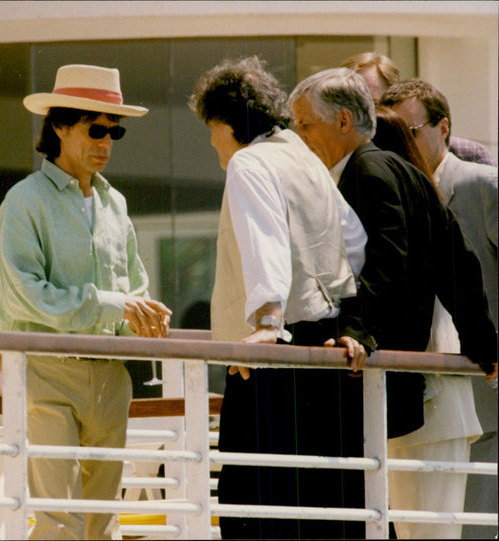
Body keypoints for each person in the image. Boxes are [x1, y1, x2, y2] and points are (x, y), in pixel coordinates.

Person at [188, 56, 374, 539]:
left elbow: (262, 239)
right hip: (325, 347)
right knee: (320, 501)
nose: (212, 144)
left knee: (256, 497)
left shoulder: (250, 162)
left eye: (211, 131)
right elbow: (355, 242)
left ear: (226, 123)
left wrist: (268, 321)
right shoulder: (305, 156)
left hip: (274, 357)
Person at [0, 64, 172, 540]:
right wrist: (117, 306)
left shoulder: (117, 205)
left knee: (102, 523)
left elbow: (134, 287)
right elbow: (25, 294)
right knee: (59, 521)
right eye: (96, 129)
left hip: (112, 376)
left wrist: (144, 316)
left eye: (115, 132)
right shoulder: (24, 201)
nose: (106, 143)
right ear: (59, 126)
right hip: (48, 372)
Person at [288, 70, 497, 455]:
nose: (299, 137)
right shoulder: (403, 170)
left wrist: (358, 330)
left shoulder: (366, 171)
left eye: (305, 124)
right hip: (390, 377)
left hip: (370, 375)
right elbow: (456, 258)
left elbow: (388, 256)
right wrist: (482, 340)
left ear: (344, 121)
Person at [378, 81, 498, 539]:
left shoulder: (480, 185)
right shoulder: (398, 193)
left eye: (408, 130)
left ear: (442, 128)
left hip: (486, 399)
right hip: (436, 403)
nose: (399, 145)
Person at [340, 51, 497, 167]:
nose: (364, 115)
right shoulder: (342, 161)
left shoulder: (467, 154)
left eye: (373, 105)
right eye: (353, 108)